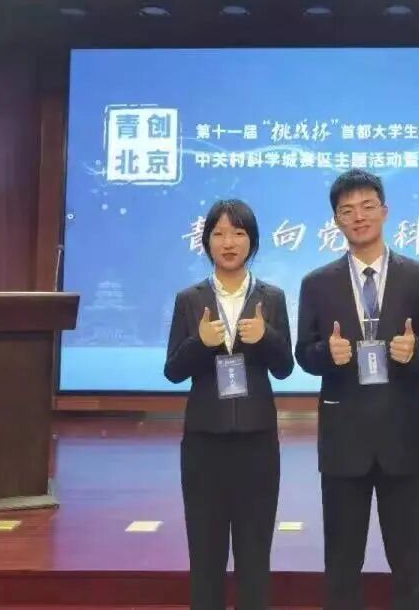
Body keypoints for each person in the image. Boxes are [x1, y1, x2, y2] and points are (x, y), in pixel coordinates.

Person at [296, 169, 419, 610]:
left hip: (404, 435)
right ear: (336, 221)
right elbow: (303, 353)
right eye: (347, 210)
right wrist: (328, 353)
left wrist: (415, 352)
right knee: (342, 562)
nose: (358, 217)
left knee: (410, 560)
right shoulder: (316, 283)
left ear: (385, 211)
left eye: (367, 207)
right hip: (344, 437)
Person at [164, 199, 295, 610]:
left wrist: (266, 338)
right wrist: (199, 343)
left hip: (257, 442)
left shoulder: (272, 297)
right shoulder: (190, 299)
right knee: (206, 554)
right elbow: (173, 370)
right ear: (206, 242)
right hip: (204, 443)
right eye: (219, 233)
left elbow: (285, 368)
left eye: (238, 233)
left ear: (252, 241)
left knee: (255, 554)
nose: (228, 242)